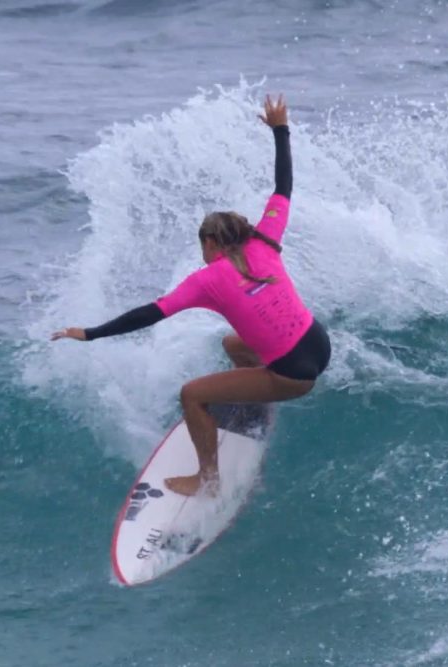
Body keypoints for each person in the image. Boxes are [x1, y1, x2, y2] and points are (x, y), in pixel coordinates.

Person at [51, 94, 331, 497]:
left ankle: (207, 481)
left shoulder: (208, 280)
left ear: (213, 242)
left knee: (193, 395)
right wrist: (280, 130)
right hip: (318, 344)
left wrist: (89, 333)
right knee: (232, 343)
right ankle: (255, 407)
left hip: (295, 376)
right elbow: (284, 186)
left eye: (202, 244)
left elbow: (149, 314)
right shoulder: (265, 241)